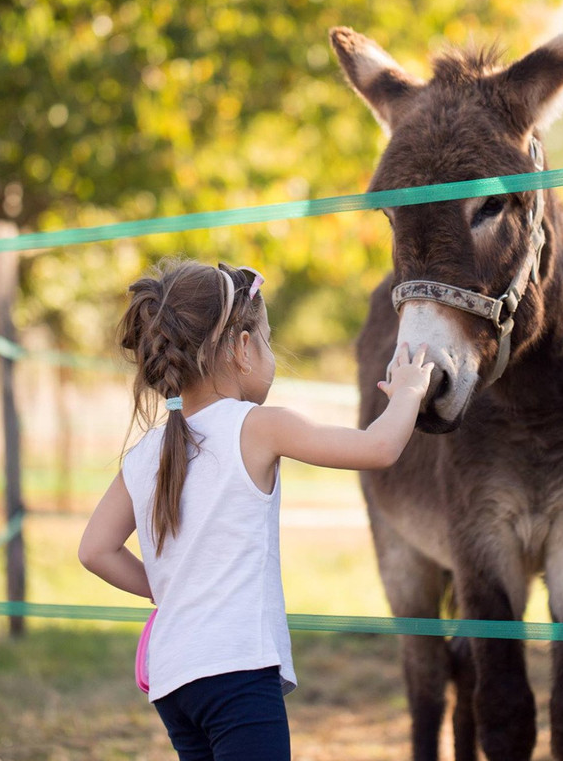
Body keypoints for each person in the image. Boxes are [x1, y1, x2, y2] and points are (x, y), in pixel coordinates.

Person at [78, 258, 433, 760]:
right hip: (236, 670)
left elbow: (95, 550)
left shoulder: (143, 455)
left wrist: (169, 588)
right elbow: (378, 449)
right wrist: (411, 392)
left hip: (174, 679)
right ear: (242, 349)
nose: (269, 353)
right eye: (266, 340)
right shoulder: (257, 426)